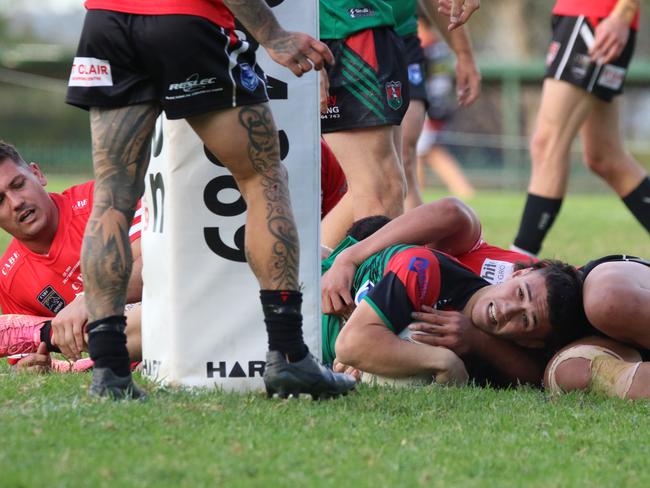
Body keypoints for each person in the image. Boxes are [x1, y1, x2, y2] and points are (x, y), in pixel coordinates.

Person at [65, 1, 355, 399]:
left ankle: (109, 372)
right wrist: (275, 36)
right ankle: (289, 356)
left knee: (111, 197)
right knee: (263, 181)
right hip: (187, 20)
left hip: (108, 21)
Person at [323, 198, 650, 398]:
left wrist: (349, 258)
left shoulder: (445, 255)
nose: (507, 307)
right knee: (568, 374)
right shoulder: (427, 319)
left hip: (589, 285)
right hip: (558, 343)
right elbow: (532, 377)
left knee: (607, 301)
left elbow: (450, 212)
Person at [322, 232, 584, 386]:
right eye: (520, 293)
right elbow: (352, 344)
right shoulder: (426, 269)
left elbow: (535, 377)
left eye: (526, 319)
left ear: (532, 343)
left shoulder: (497, 357)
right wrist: (444, 362)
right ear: (519, 273)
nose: (507, 309)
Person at [512, 0, 649, 257]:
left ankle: (517, 261)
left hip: (596, 15)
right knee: (605, 157)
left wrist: (624, 12)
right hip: (580, 14)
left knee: (547, 144)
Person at [0, 142, 143, 369]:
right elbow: (27, 360)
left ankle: (47, 333)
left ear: (37, 174)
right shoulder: (9, 277)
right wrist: (40, 365)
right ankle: (54, 338)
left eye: (18, 185)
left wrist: (92, 298)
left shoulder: (102, 199)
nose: (16, 203)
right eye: (0, 201)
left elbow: (158, 268)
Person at [318, 0, 409, 250]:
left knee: (391, 187)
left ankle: (306, 281)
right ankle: (373, 287)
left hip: (374, 25)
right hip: (339, 32)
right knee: (377, 190)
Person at [390, 0, 479, 210]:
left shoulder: (429, 45)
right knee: (385, 170)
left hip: (405, 50)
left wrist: (464, 54)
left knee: (408, 157)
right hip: (352, 40)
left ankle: (410, 240)